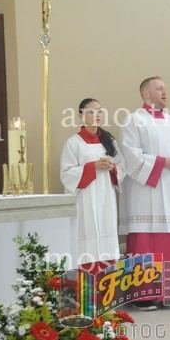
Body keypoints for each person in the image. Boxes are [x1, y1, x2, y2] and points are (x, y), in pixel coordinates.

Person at [119, 76, 170, 310]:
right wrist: (162, 163)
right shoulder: (134, 120)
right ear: (146, 94)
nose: (164, 92)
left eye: (165, 88)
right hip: (145, 194)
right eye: (159, 88)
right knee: (146, 242)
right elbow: (130, 156)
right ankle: (144, 296)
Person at [60, 98, 123, 264]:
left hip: (106, 197)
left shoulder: (109, 141)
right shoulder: (73, 143)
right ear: (81, 115)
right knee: (87, 236)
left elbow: (122, 166)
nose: (97, 115)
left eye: (99, 111)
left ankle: (108, 277)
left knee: (107, 234)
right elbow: (66, 174)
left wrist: (113, 168)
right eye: (91, 112)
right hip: (86, 199)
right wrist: (92, 166)